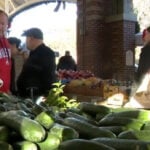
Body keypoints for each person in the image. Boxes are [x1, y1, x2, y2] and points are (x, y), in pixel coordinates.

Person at [17, 27, 57, 99]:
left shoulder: (46, 53)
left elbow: (48, 76)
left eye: (26, 39)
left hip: (36, 96)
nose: (26, 42)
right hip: (29, 96)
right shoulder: (35, 53)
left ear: (31, 38)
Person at [0, 10, 12, 93]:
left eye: (3, 24)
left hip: (4, 93)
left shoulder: (6, 41)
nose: (0, 27)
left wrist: (7, 89)